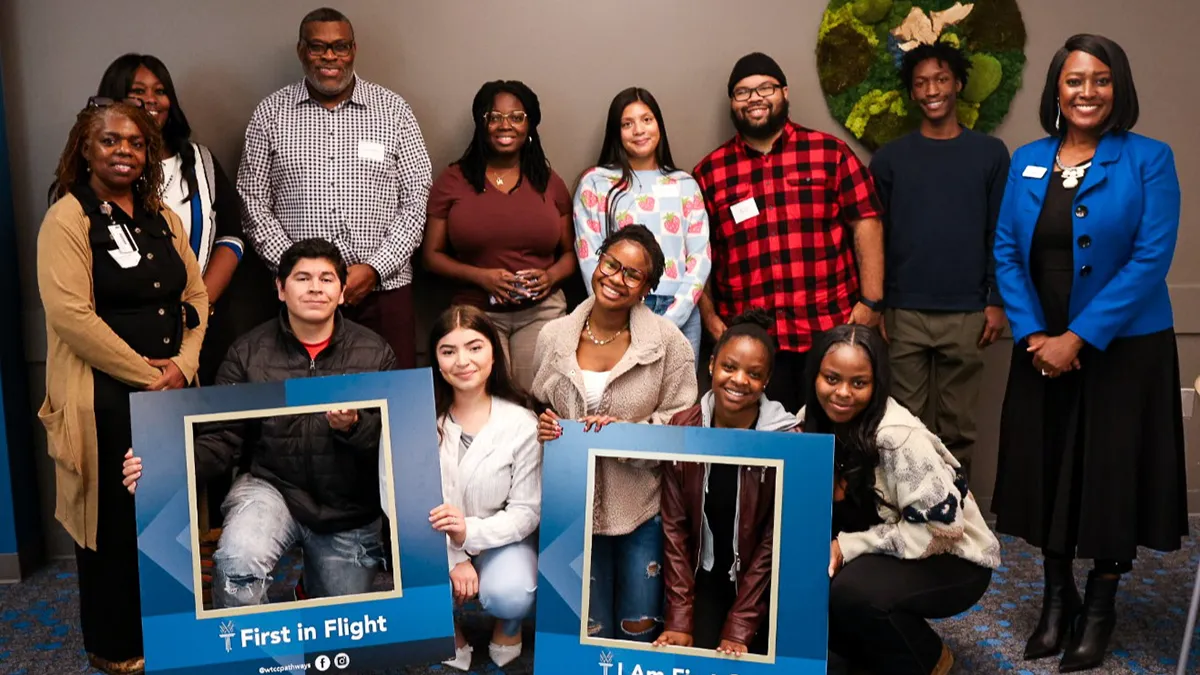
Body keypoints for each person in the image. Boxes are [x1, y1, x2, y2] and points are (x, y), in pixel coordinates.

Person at [991, 34, 1187, 672]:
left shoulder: (1150, 159)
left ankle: (1099, 607)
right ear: (1056, 89)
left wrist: (1077, 337)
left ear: (1119, 87)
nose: (1086, 92)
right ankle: (1056, 600)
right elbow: (1006, 254)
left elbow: (1150, 258)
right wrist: (1034, 337)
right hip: (1039, 347)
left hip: (1124, 350)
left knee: (1109, 476)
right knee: (1047, 469)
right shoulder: (1028, 159)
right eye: (1074, 80)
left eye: (1100, 80)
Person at [125, 239, 397, 606]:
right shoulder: (247, 351)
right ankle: (252, 657)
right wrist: (162, 467)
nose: (316, 287)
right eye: (302, 278)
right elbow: (221, 437)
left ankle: (309, 589)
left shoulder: (376, 352)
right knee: (238, 561)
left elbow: (392, 445)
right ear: (281, 289)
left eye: (326, 279)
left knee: (340, 633)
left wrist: (352, 427)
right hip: (272, 487)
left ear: (342, 291)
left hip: (347, 505)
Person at [38, 98, 209, 674]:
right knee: (112, 524)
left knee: (170, 517)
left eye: (136, 143)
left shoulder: (162, 216)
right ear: (85, 147)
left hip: (169, 393)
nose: (124, 152)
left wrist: (181, 366)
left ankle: (175, 631)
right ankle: (116, 647)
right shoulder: (68, 217)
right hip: (103, 400)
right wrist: (150, 376)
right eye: (110, 141)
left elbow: (196, 296)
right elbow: (71, 318)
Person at [237, 7, 432, 367]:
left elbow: (417, 198)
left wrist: (374, 268)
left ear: (353, 50)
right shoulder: (270, 114)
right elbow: (252, 203)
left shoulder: (394, 111)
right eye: (317, 47)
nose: (330, 57)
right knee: (307, 406)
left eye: (339, 47)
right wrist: (303, 273)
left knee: (394, 400)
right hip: (301, 297)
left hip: (383, 290)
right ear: (301, 51)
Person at [531, 224, 697, 642]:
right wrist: (545, 423)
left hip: (641, 507)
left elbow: (684, 424)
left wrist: (628, 434)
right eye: (611, 264)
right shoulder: (553, 336)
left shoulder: (668, 344)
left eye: (632, 274)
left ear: (647, 287)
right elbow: (539, 402)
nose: (615, 278)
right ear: (597, 261)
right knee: (590, 629)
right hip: (573, 509)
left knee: (637, 628)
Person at [692, 52, 884, 413]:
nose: (755, 99)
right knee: (765, 450)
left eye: (765, 88)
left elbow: (867, 221)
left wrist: (871, 303)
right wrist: (712, 321)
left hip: (829, 330)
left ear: (785, 92)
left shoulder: (830, 153)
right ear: (733, 103)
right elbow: (695, 253)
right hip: (753, 344)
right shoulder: (709, 172)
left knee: (831, 443)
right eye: (743, 92)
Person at [806, 325, 999, 675]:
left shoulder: (897, 437)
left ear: (877, 384)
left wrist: (847, 547)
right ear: (815, 376)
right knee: (809, 575)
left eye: (859, 383)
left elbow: (943, 530)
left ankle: (928, 659)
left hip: (953, 556)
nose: (842, 393)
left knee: (852, 593)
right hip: (886, 548)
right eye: (831, 378)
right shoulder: (812, 421)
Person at [868, 43, 1010, 481]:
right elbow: (879, 236)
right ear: (912, 93)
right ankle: (908, 508)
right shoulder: (890, 159)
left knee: (959, 428)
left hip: (968, 310)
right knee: (904, 425)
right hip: (905, 311)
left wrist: (996, 299)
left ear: (959, 84)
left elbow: (999, 233)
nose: (932, 90)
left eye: (941, 79)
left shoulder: (990, 154)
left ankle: (957, 515)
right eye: (921, 83)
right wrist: (883, 305)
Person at [96, 53, 278, 387]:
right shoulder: (104, 169)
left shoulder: (200, 161)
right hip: (127, 337)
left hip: (202, 328)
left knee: (208, 432)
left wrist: (197, 306)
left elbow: (232, 237)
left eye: (160, 90)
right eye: (138, 91)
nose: (151, 100)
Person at [655, 309, 798, 657]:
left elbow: (772, 542)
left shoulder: (790, 439)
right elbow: (674, 529)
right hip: (703, 577)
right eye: (729, 367)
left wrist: (740, 625)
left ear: (767, 381)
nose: (739, 380)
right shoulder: (683, 428)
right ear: (711, 365)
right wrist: (679, 617)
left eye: (754, 374)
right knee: (687, 657)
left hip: (763, 585)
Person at [423, 80, 575, 391]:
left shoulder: (549, 181)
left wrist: (550, 276)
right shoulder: (453, 181)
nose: (505, 126)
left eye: (516, 117)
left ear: (529, 124)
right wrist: (482, 277)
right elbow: (430, 256)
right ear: (482, 124)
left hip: (541, 312)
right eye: (494, 117)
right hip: (475, 311)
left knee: (536, 397)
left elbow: (572, 254)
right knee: (490, 396)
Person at [428, 305, 540, 670]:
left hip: (501, 538)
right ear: (436, 360)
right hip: (430, 540)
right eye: (449, 350)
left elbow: (526, 511)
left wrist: (469, 533)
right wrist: (456, 556)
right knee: (423, 593)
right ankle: (449, 628)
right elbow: (394, 498)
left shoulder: (522, 423)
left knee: (512, 592)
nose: (463, 360)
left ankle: (508, 622)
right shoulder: (416, 417)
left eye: (474, 347)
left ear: (494, 352)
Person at [574, 87, 710, 362]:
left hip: (680, 312)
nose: (639, 130)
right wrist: (615, 310)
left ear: (659, 125)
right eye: (627, 123)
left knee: (679, 404)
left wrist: (674, 317)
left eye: (646, 120)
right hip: (617, 310)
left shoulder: (684, 184)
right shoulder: (596, 183)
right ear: (617, 132)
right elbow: (589, 256)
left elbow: (700, 256)